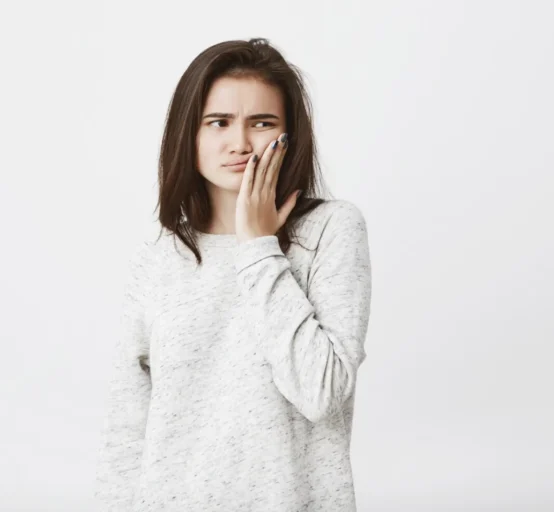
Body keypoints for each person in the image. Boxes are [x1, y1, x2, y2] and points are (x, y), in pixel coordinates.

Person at [94, 38, 373, 512]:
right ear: (191, 135)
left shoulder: (330, 230)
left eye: (262, 123)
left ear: (290, 135)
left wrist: (259, 248)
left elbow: (321, 392)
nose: (240, 143)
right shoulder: (159, 256)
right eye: (218, 122)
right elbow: (127, 430)